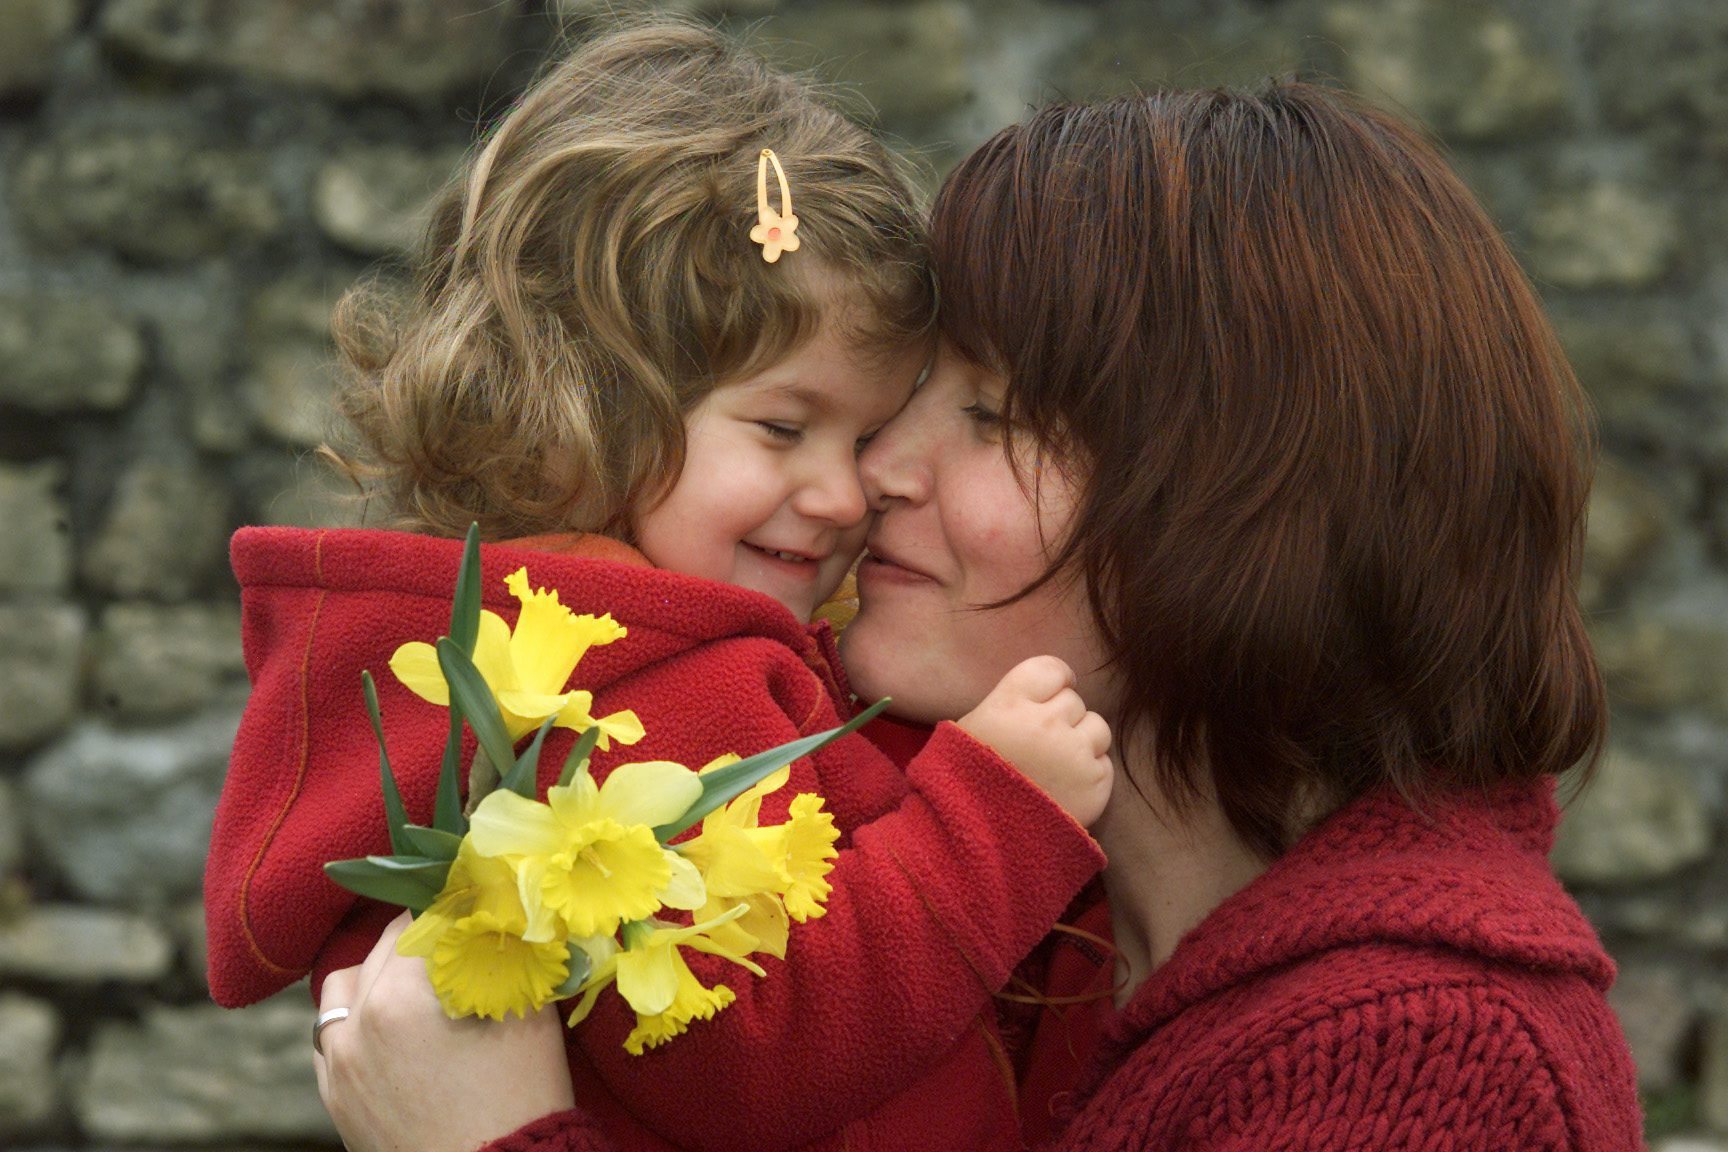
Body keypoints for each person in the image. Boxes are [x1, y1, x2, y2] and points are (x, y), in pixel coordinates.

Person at [311, 78, 1647, 1151]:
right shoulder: (1003, 940)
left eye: (993, 416)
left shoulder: (1426, 1064)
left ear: (1258, 507)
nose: (874, 474)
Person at [202, 19, 1114, 1152]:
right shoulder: (640, 687)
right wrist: (996, 812)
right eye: (785, 427)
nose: (851, 490)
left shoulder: (536, 640)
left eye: (872, 430)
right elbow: (758, 1054)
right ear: (584, 407)